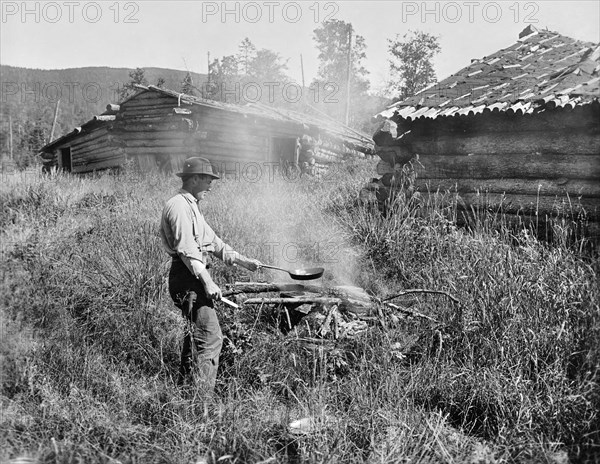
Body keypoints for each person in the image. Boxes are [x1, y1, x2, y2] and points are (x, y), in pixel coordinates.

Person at [160, 156, 261, 391]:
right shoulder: (178, 206)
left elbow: (214, 243)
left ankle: (184, 392)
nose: (211, 184)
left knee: (194, 336)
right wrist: (208, 282)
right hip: (187, 278)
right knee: (211, 338)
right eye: (207, 179)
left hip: (192, 276)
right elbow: (187, 252)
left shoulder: (192, 206)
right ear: (194, 179)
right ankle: (201, 405)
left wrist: (245, 262)